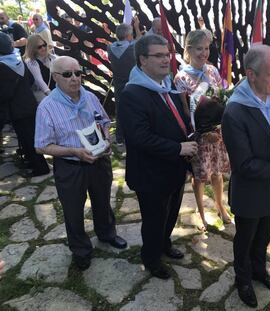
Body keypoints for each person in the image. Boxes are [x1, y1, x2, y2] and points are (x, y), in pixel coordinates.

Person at [34, 56, 127, 271]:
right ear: (55, 77)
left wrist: (105, 137)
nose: (75, 78)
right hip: (70, 166)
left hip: (99, 161)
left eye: (78, 73)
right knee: (73, 210)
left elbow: (104, 121)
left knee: (103, 201)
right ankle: (81, 250)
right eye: (68, 74)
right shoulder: (46, 107)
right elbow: (41, 146)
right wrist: (73, 151)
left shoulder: (90, 97)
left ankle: (107, 234)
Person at [119, 35, 197, 279]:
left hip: (173, 168)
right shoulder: (133, 94)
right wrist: (178, 148)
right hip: (150, 174)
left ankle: (164, 244)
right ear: (143, 60)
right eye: (159, 55)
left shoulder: (167, 86)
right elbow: (139, 137)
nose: (166, 60)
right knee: (154, 219)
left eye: (167, 54)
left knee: (171, 212)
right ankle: (151, 259)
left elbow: (177, 122)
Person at [221, 45, 270, 308]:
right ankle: (243, 279)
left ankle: (259, 271)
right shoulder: (235, 112)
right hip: (250, 192)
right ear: (251, 74)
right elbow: (245, 165)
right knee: (246, 239)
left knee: (264, 236)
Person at [174, 29, 231, 231]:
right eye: (199, 48)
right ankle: (200, 213)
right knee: (199, 177)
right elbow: (183, 109)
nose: (204, 53)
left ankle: (220, 207)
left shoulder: (213, 71)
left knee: (217, 173)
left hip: (217, 134)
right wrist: (196, 132)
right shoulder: (181, 78)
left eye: (206, 48)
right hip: (199, 136)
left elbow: (223, 95)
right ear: (189, 49)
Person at [0, 32, 50, 177]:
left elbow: (4, 93)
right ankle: (30, 160)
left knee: (27, 138)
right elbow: (29, 80)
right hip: (28, 103)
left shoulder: (3, 65)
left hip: (17, 108)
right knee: (27, 136)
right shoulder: (17, 59)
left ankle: (40, 167)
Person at [107, 20, 141, 144]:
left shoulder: (110, 47)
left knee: (120, 109)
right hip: (133, 82)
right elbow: (141, 41)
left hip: (118, 83)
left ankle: (120, 137)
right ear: (128, 36)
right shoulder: (133, 47)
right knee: (136, 109)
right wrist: (136, 27)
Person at [24, 34, 56, 103]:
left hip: (56, 91)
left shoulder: (51, 57)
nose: (43, 48)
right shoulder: (31, 62)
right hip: (43, 95)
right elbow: (39, 80)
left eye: (44, 45)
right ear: (33, 48)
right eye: (39, 47)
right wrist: (50, 94)